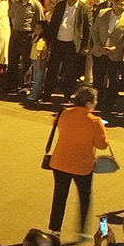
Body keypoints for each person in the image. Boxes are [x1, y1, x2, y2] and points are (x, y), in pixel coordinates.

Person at [47, 86, 111, 238]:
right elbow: (101, 145)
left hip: (60, 162)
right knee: (84, 197)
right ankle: (81, 230)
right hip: (82, 166)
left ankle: (55, 229)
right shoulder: (95, 121)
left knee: (59, 196)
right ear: (89, 103)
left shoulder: (63, 113)